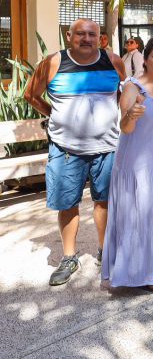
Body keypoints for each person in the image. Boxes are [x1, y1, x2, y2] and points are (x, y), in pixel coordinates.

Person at [24, 19, 126, 286]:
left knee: (104, 201)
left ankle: (105, 251)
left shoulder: (113, 61)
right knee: (68, 204)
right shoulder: (53, 62)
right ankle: (69, 257)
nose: (86, 39)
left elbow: (123, 95)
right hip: (65, 149)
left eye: (92, 34)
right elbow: (30, 95)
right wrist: (54, 114)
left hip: (107, 148)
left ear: (100, 38)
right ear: (69, 36)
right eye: (80, 34)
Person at [102, 37, 153, 291]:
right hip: (137, 164)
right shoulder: (133, 87)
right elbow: (125, 127)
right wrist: (132, 115)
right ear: (145, 59)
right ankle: (140, 273)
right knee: (140, 217)